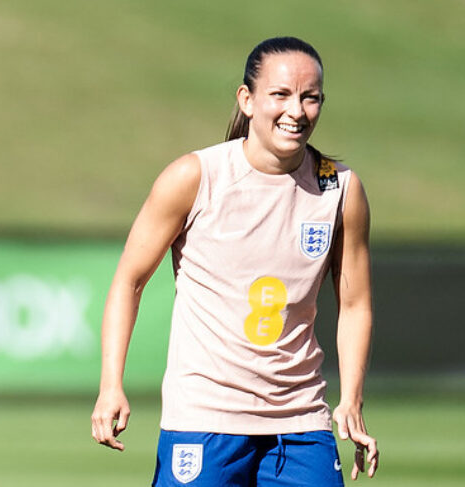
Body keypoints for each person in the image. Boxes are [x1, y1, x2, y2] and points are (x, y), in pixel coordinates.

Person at [91, 37, 379, 486]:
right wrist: (111, 385)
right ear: (247, 100)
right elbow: (129, 281)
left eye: (310, 97)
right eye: (281, 95)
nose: (297, 111)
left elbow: (356, 304)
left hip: (301, 421)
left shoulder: (340, 188)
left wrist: (352, 399)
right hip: (205, 418)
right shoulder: (195, 176)